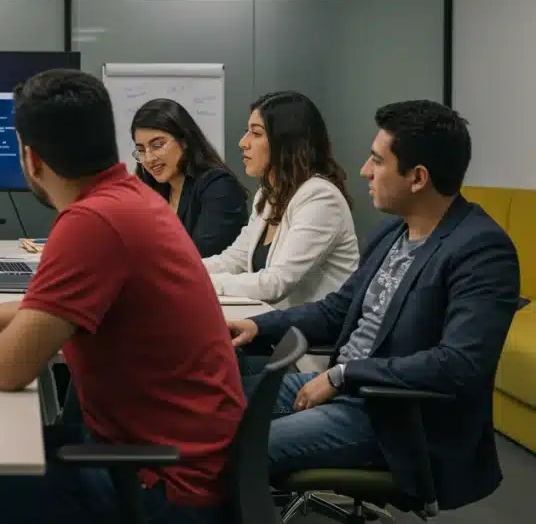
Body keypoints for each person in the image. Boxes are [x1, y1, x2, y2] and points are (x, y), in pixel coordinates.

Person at [0, 69, 245, 524]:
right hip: (169, 455)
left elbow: (7, 367)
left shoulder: (93, 222)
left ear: (31, 158)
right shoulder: (126, 198)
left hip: (162, 481)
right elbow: (44, 310)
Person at [227, 100, 520, 510]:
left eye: (378, 161)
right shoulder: (392, 232)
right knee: (214, 405)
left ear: (418, 177)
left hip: (392, 419)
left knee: (235, 452)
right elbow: (336, 311)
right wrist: (260, 326)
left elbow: (459, 364)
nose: (365, 170)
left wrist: (343, 376)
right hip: (347, 390)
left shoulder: (481, 250)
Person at [204, 91, 359, 308]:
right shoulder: (268, 194)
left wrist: (204, 283)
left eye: (256, 133)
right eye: (246, 132)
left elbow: (276, 283)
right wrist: (182, 272)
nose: (243, 143)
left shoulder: (320, 197)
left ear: (286, 142)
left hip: (313, 329)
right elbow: (234, 260)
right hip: (276, 322)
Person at [130, 98, 248, 257]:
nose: (149, 158)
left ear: (184, 141)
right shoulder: (152, 190)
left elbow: (199, 256)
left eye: (157, 145)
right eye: (141, 150)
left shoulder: (218, 186)